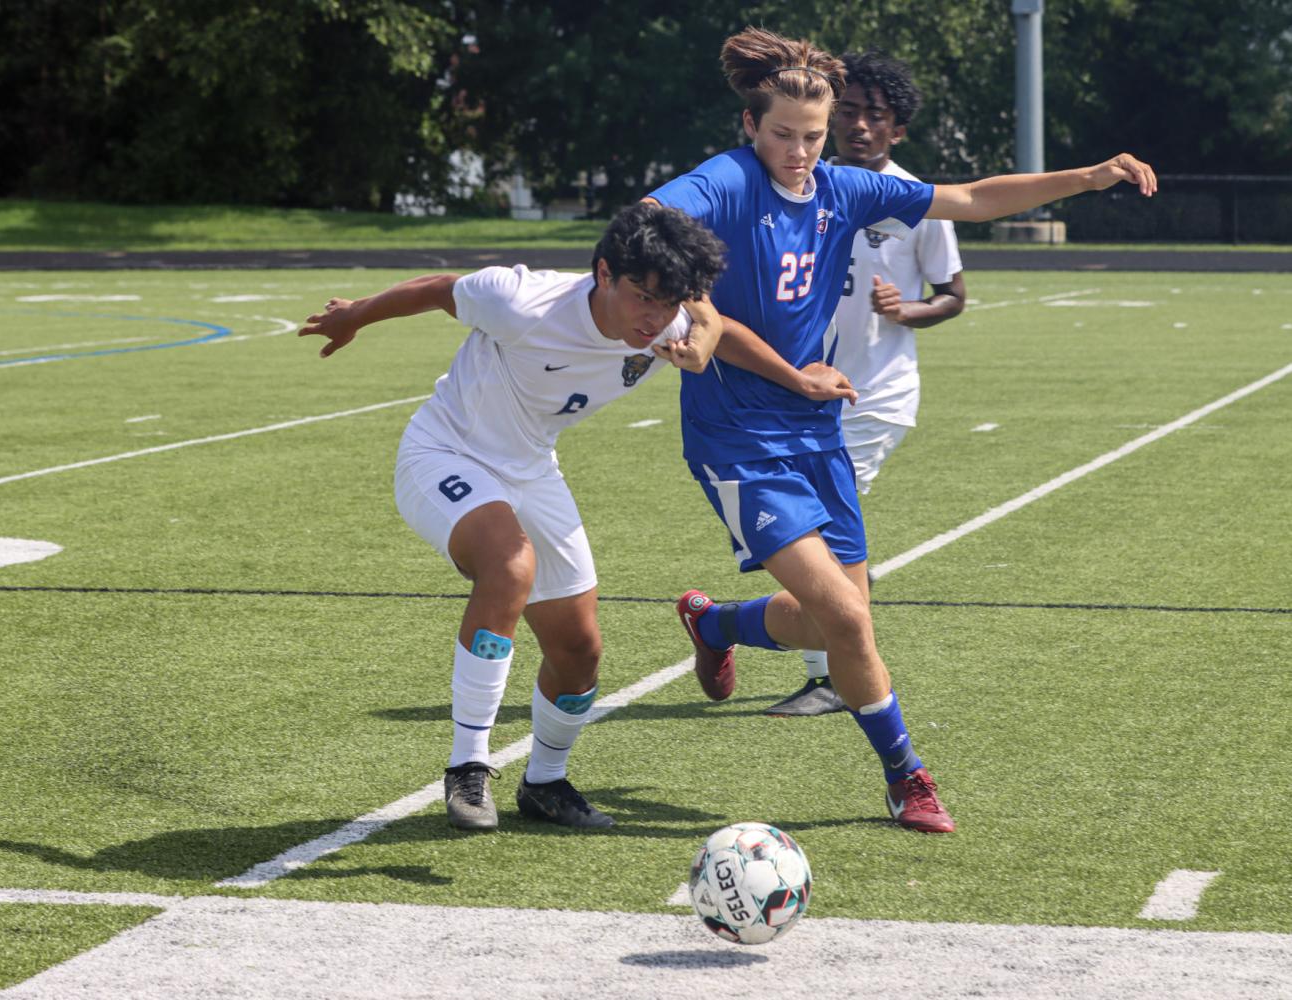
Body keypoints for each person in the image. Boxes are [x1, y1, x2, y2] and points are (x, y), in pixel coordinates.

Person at [649, 26, 1155, 833]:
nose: (800, 151)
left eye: (812, 137)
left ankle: (713, 624)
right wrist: (686, 306)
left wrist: (1089, 177)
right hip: (737, 437)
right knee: (848, 620)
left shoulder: (843, 189)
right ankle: (906, 777)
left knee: (830, 619)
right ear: (749, 126)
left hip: (815, 428)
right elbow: (649, 219)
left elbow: (973, 198)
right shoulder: (726, 181)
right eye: (782, 134)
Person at [299, 202, 727, 832]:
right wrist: (353, 316)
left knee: (579, 651)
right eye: (642, 297)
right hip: (445, 451)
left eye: (668, 305)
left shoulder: (667, 322)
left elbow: (718, 325)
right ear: (604, 273)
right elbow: (438, 290)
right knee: (510, 565)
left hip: (532, 469)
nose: (655, 318)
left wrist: (792, 377)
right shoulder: (521, 299)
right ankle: (467, 769)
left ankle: (545, 784)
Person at [769, 50, 966, 718]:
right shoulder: (799, 184)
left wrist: (905, 309)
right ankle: (718, 625)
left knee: (816, 530)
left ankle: (825, 672)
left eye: (873, 117)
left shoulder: (916, 202)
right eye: (846, 112)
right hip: (797, 390)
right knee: (807, 534)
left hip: (873, 395)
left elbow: (952, 294)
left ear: (896, 129)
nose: (857, 126)